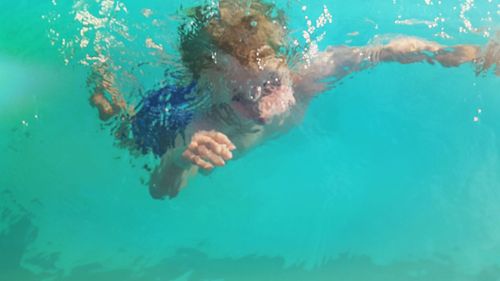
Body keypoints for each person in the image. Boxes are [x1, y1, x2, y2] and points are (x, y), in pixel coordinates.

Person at [89, 0, 499, 199]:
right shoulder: (206, 130)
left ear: (287, 64)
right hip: (163, 121)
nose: (258, 108)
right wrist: (179, 158)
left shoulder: (306, 77)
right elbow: (160, 191)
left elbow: (387, 48)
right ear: (210, 90)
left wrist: (474, 54)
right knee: (122, 126)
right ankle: (102, 85)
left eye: (268, 86)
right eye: (237, 97)